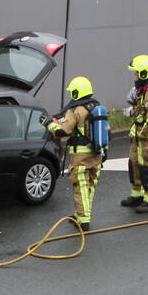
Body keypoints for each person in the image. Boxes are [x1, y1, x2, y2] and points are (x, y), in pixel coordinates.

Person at [44, 76, 104, 232]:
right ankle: (83, 214)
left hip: (81, 155)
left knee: (81, 185)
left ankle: (83, 219)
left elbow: (63, 131)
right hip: (97, 153)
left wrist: (48, 123)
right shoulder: (96, 107)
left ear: (77, 93)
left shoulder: (75, 110)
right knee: (90, 184)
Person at [120, 54, 148, 213]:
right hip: (138, 135)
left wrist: (144, 133)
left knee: (147, 167)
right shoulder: (144, 88)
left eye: (137, 72)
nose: (135, 75)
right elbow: (142, 110)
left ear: (144, 73)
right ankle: (137, 195)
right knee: (134, 164)